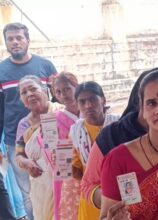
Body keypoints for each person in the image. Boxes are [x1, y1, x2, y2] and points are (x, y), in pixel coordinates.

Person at [80, 67, 158, 211]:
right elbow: (91, 189)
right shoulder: (116, 155)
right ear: (141, 108)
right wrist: (119, 205)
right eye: (152, 103)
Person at [0, 22, 57, 220]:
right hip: (14, 140)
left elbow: (60, 98)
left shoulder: (45, 66)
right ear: (6, 42)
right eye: (10, 39)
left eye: (19, 38)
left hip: (54, 137)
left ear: (27, 41)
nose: (15, 42)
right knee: (28, 194)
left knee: (60, 184)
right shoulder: (0, 71)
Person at [70, 81, 120, 220]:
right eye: (82, 101)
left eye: (92, 99)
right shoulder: (76, 131)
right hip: (92, 197)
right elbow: (78, 171)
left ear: (103, 100)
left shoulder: (119, 125)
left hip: (119, 193)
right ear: (77, 105)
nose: (88, 105)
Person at [15, 75, 62, 220]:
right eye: (24, 93)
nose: (29, 94)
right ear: (22, 101)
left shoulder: (61, 112)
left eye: (33, 89)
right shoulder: (24, 125)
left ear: (44, 90)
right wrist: (26, 162)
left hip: (68, 178)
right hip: (41, 184)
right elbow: (19, 155)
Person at [52, 72, 80, 220]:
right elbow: (49, 145)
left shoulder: (89, 110)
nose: (63, 94)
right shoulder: (55, 118)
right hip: (67, 168)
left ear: (76, 86)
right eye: (58, 92)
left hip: (91, 163)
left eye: (67, 89)